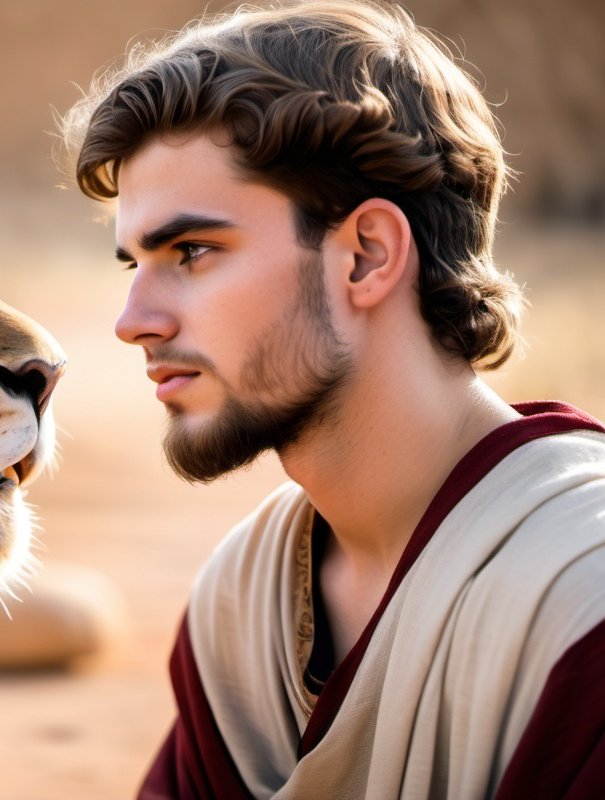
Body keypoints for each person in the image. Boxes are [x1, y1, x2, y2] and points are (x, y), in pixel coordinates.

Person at [60, 2, 605, 797]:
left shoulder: (578, 605)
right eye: (134, 264)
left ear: (366, 256)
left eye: (192, 251)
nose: (134, 322)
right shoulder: (245, 610)